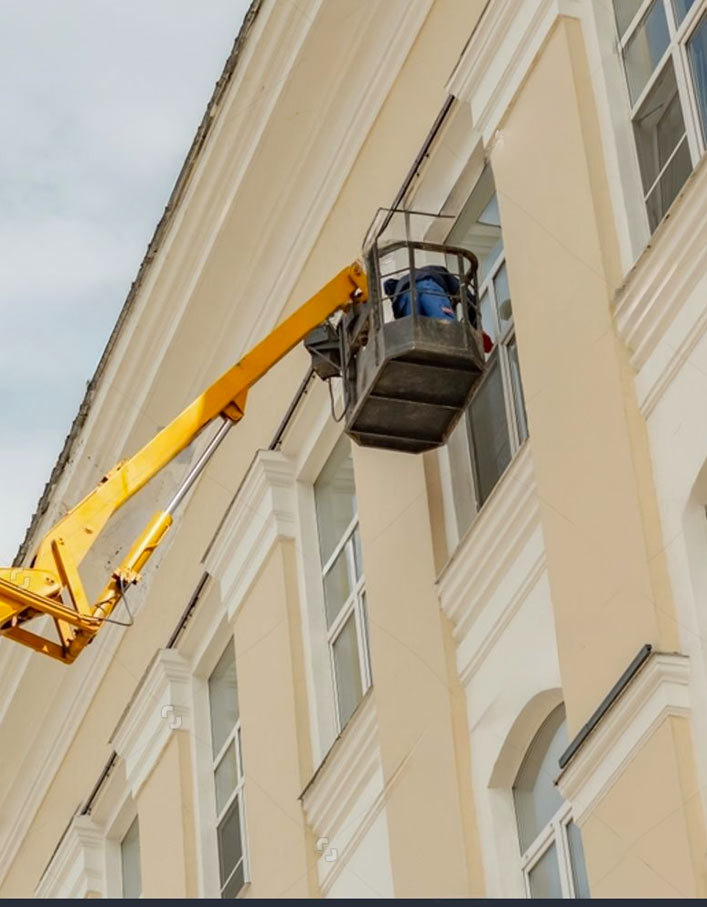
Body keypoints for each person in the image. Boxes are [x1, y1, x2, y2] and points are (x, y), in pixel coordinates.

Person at [383, 264, 493, 352]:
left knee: (415, 337)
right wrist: (477, 327)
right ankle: (455, 352)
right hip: (428, 286)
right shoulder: (438, 271)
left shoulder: (399, 288)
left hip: (403, 299)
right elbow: (464, 293)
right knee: (446, 325)